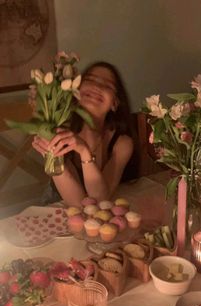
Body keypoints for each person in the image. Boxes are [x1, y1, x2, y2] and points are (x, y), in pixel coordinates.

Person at [32, 61, 138, 207]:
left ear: (115, 103)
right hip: (56, 212)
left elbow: (98, 201)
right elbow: (78, 203)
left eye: (107, 85)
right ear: (76, 90)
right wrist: (52, 152)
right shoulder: (58, 131)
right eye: (89, 80)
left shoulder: (121, 143)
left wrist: (84, 151)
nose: (97, 87)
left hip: (98, 216)